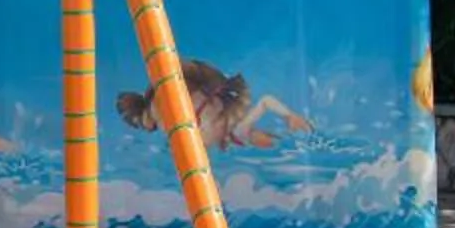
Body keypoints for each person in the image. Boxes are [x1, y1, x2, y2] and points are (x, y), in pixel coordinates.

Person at [117, 61, 314, 152]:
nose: (266, 142)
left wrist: (290, 115)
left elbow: (265, 102)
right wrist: (290, 115)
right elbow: (265, 102)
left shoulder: (232, 129)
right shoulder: (236, 129)